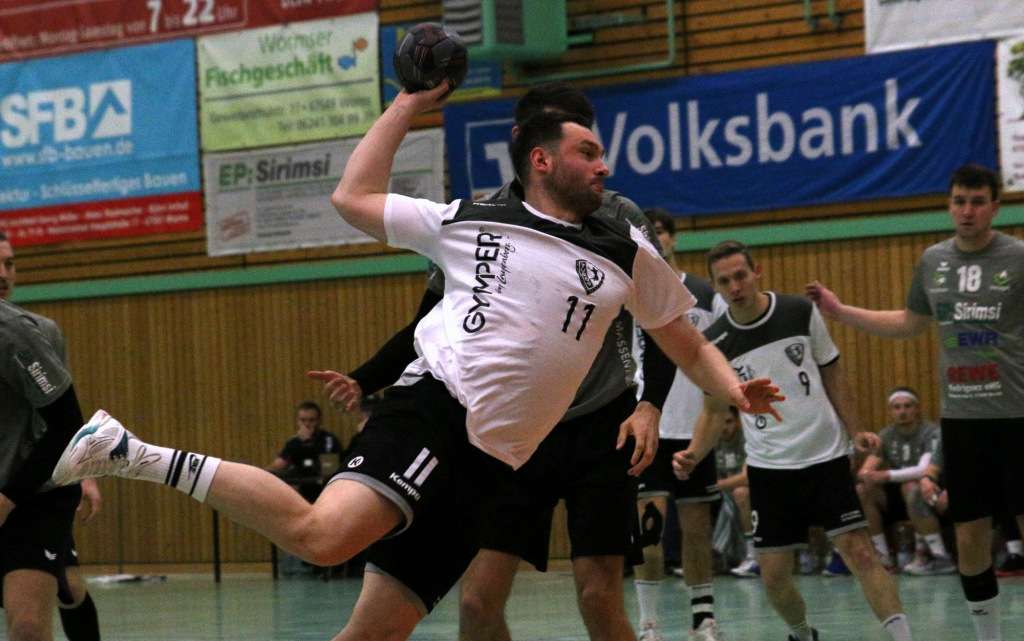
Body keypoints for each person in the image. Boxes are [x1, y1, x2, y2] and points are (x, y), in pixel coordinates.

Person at [50, 85, 784, 641]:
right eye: (588, 152)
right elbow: (353, 196)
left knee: (374, 633)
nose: (605, 164)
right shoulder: (471, 219)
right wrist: (409, 102)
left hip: (494, 465)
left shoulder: (625, 249)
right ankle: (131, 451)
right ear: (542, 159)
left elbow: (685, 341)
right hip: (436, 411)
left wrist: (733, 387)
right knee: (325, 535)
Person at [315, 82, 679, 641]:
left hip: (600, 427)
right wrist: (367, 378)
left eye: (587, 143)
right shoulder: (480, 217)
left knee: (598, 595)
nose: (589, 159)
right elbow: (428, 322)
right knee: (478, 600)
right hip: (510, 435)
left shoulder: (617, 215)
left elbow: (667, 326)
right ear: (529, 145)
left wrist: (650, 404)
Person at [807, 164, 1023, 641]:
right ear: (949, 205)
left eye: (977, 202)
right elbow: (908, 322)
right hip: (962, 422)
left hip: (1016, 418)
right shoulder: (932, 261)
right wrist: (841, 312)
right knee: (970, 537)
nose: (967, 211)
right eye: (959, 201)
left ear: (995, 206)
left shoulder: (1017, 258)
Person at [675, 241, 913, 641]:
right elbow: (714, 412)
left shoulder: (798, 312)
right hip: (770, 469)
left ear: (757, 272)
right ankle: (803, 634)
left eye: (740, 276)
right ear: (716, 287)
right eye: (724, 281)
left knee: (860, 552)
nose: (735, 286)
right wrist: (693, 454)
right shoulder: (714, 343)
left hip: (825, 457)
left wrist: (856, 430)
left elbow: (833, 373)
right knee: (774, 577)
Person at [631, 208, 725, 641]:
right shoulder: (629, 291)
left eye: (661, 232)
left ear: (672, 238)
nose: (657, 238)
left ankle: (703, 619)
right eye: (648, 233)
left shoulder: (703, 293)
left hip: (695, 428)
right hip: (648, 428)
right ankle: (648, 623)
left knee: (696, 527)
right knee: (648, 528)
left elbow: (721, 353)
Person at [0, 231, 97, 641]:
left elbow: (63, 421)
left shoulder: (21, 334)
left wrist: (7, 499)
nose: (4, 273)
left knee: (34, 619)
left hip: (33, 495)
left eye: (9, 263)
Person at [856, 387, 953, 575]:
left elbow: (924, 470)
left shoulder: (931, 432)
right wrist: (867, 473)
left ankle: (940, 557)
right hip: (898, 497)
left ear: (917, 408)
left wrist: (885, 475)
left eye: (907, 406)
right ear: (890, 411)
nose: (902, 411)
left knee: (910, 487)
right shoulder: (885, 435)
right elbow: (867, 468)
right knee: (863, 490)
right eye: (897, 407)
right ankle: (883, 557)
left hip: (929, 494)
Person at [711, 409, 757, 578]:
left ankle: (749, 555)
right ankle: (718, 555)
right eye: (721, 422)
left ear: (738, 422)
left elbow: (747, 477)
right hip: (724, 494)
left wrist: (716, 486)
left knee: (739, 493)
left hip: (753, 492)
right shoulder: (712, 442)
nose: (724, 427)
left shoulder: (746, 439)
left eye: (729, 422)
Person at [267, 401, 341, 502]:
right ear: (298, 421)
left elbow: (329, 469)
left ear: (319, 421)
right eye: (303, 420)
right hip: (299, 491)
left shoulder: (329, 440)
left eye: (311, 420)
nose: (307, 424)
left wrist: (308, 445)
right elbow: (278, 465)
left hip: (323, 490)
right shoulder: (294, 442)